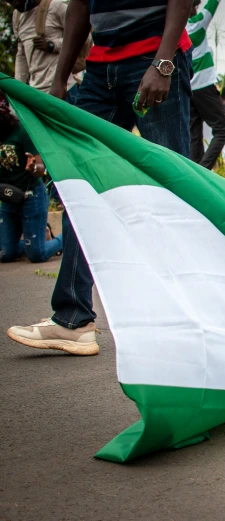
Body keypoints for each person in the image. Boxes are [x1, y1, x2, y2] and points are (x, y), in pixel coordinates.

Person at [6, 0, 193, 356]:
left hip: (152, 57)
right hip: (100, 68)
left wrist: (163, 62)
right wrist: (60, 79)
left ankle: (188, 316)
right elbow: (79, 5)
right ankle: (73, 319)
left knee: (174, 190)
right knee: (82, 189)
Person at [0, 96, 63, 264]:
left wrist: (34, 167)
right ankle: (37, 240)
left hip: (31, 196)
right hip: (7, 198)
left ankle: (68, 239)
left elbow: (41, 169)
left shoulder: (21, 131)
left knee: (37, 255)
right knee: (5, 253)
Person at [8, 0, 80, 99]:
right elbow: (21, 54)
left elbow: (81, 37)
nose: (14, 3)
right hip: (36, 92)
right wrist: (17, 90)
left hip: (65, 90)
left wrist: (53, 45)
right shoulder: (17, 16)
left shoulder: (56, 7)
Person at [187, 0, 225, 170]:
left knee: (194, 134)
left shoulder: (176, 31)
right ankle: (204, 170)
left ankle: (195, 169)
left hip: (187, 88)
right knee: (221, 129)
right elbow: (213, 3)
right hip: (203, 85)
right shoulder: (196, 24)